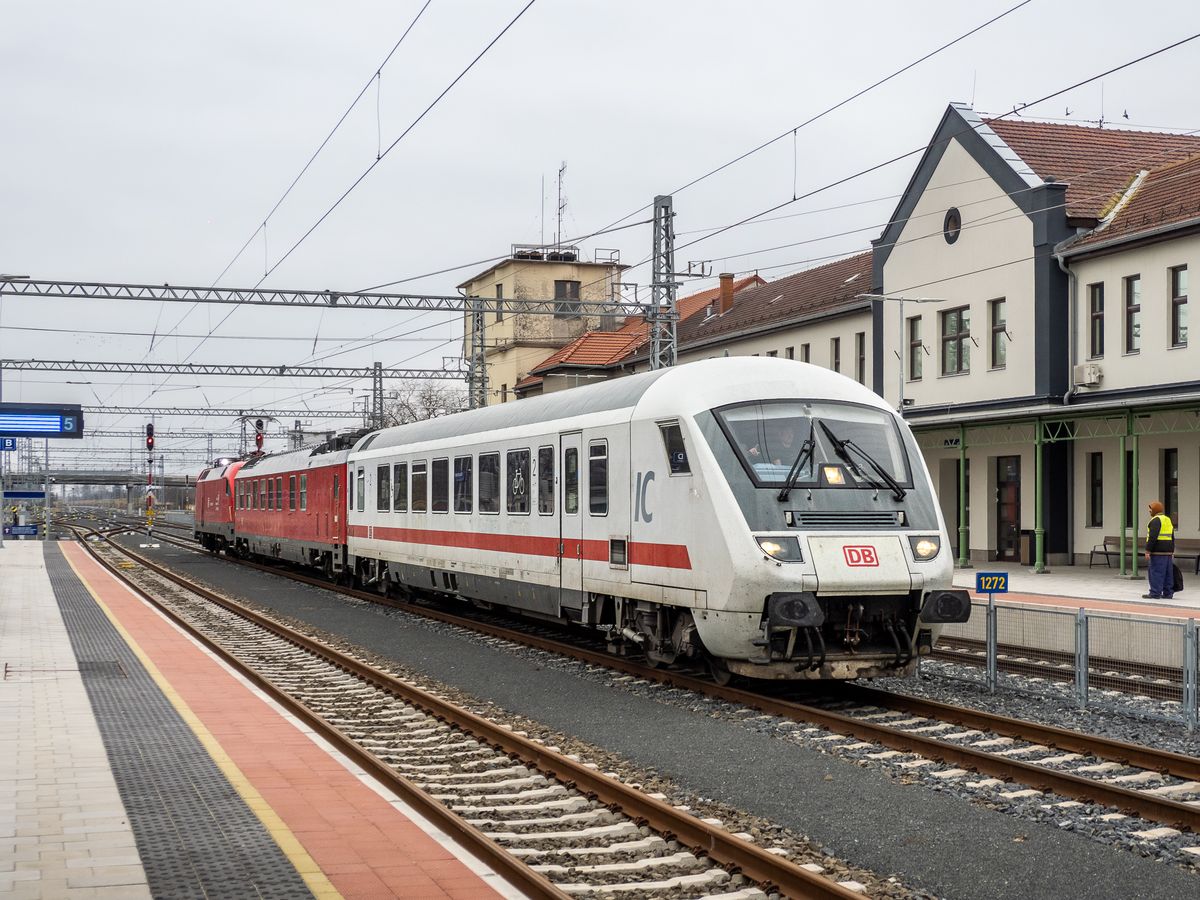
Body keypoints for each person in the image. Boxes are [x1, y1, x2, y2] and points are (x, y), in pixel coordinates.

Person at [1143, 500, 1175, 600]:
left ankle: (1155, 593)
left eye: (1151, 509)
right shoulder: (1167, 519)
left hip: (1157, 552)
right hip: (1168, 551)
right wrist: (1172, 550)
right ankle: (1168, 593)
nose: (1149, 511)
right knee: (1167, 573)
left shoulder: (1155, 520)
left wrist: (1148, 550)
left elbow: (1153, 537)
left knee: (1156, 572)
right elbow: (1172, 536)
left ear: (1155, 510)